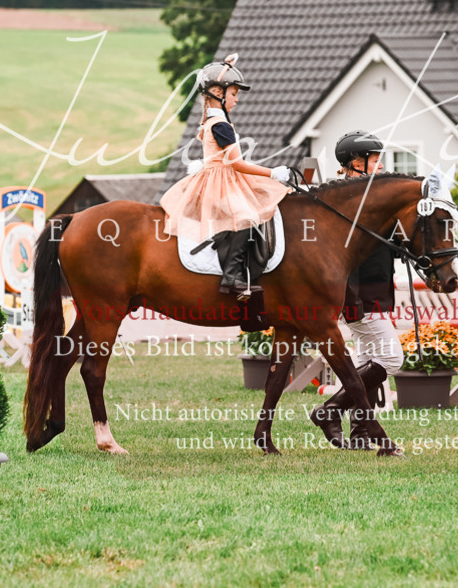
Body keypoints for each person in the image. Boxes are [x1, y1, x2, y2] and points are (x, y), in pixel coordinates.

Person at [160, 54, 292, 299]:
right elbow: (239, 164)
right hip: (219, 183)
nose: (237, 100)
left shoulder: (216, 121)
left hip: (223, 179)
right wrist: (274, 173)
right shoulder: (220, 125)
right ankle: (232, 275)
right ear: (216, 93)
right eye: (233, 94)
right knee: (247, 216)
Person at [310, 131, 405, 450]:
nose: (380, 166)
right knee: (392, 357)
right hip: (357, 295)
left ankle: (361, 433)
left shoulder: (372, 197)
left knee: (366, 357)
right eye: (375, 161)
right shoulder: (346, 201)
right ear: (356, 163)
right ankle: (330, 410)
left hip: (376, 290)